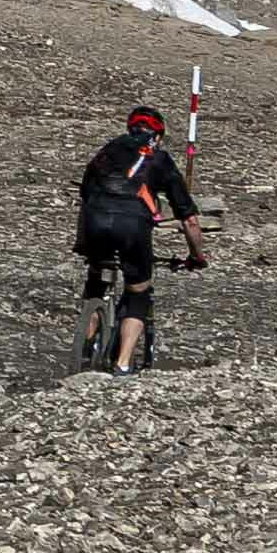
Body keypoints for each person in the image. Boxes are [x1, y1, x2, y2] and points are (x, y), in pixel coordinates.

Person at [75, 105, 206, 374]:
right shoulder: (159, 160)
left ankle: (85, 347)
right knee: (138, 291)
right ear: (157, 137)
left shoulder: (107, 151)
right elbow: (189, 220)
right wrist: (197, 256)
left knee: (96, 280)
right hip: (131, 227)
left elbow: (86, 193)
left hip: (93, 223)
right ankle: (122, 364)